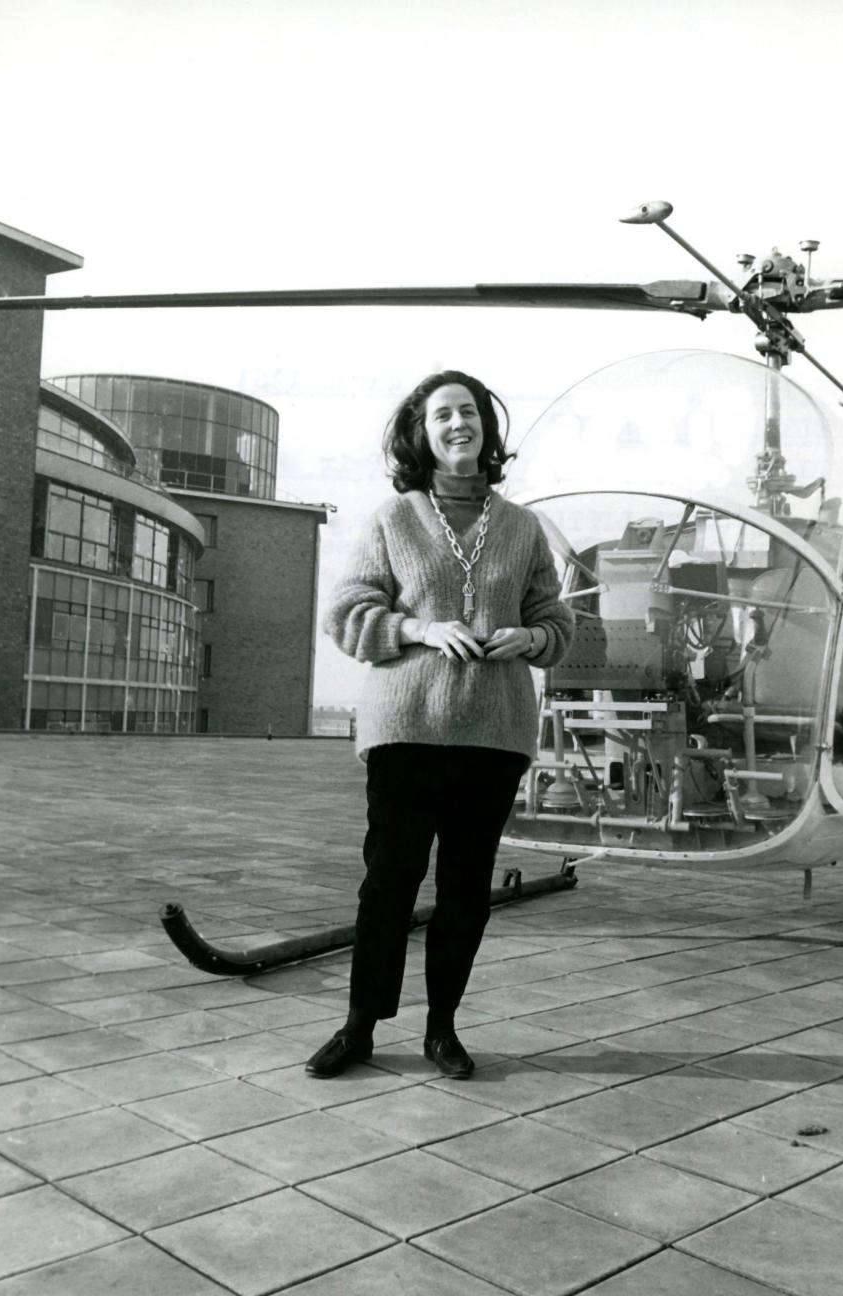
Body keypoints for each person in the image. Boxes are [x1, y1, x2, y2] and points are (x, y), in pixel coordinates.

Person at [307, 369, 574, 1080]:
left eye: (469, 413)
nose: (458, 424)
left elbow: (557, 621)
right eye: (442, 416)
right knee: (387, 884)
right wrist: (421, 629)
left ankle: (443, 1030)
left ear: (487, 428)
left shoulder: (521, 528)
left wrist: (532, 640)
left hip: (493, 737)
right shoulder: (393, 521)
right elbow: (347, 614)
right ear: (421, 435)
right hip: (405, 732)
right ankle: (360, 1027)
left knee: (464, 891)